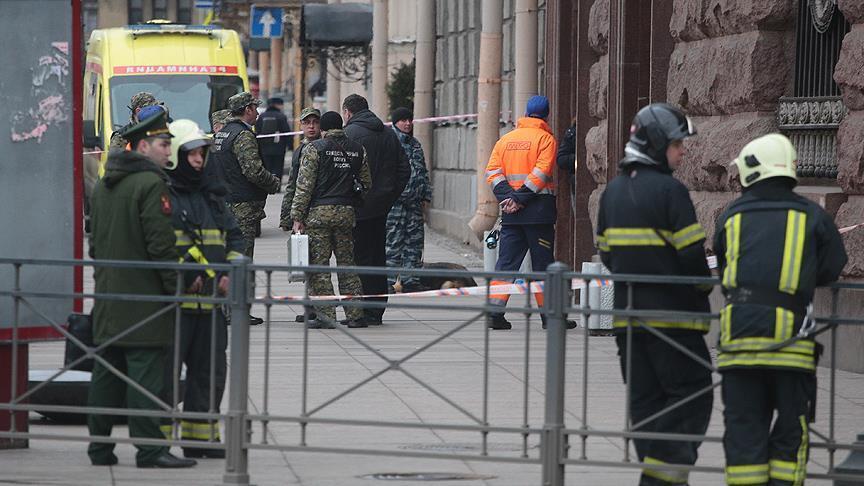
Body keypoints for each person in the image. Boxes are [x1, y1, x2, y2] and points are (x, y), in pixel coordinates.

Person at [714, 134, 847, 486]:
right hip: (791, 344)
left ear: (752, 170)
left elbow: (725, 269)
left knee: (743, 430)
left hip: (739, 340)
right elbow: (833, 265)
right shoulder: (812, 216)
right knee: (790, 432)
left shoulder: (731, 216)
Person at [596, 103, 712, 485]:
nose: (682, 151)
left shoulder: (612, 192)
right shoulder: (671, 191)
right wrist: (702, 288)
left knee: (645, 402)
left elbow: (607, 254)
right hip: (674, 321)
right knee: (693, 394)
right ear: (658, 144)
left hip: (628, 320)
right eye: (677, 144)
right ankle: (660, 479)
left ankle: (659, 475)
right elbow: (693, 256)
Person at [87, 106, 196, 469]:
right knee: (145, 377)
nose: (169, 150)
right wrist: (176, 289)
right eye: (163, 144)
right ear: (144, 146)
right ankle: (150, 450)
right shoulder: (150, 184)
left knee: (107, 375)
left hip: (108, 297)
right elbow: (160, 246)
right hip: (144, 302)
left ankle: (99, 449)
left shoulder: (105, 184)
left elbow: (95, 245)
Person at [163, 119, 245, 459]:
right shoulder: (163, 195)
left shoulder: (212, 193)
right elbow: (159, 244)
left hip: (211, 303)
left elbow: (235, 237)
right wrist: (185, 271)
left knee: (210, 372)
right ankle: (157, 442)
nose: (199, 159)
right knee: (166, 374)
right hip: (175, 304)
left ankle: (201, 439)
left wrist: (231, 271)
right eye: (192, 153)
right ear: (176, 155)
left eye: (201, 153)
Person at [484, 95, 576, 331]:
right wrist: (519, 199)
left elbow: (492, 172)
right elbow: (541, 173)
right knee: (543, 265)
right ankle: (550, 317)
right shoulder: (546, 139)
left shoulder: (506, 139)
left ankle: (494, 312)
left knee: (506, 264)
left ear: (525, 113)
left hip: (511, 214)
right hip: (538, 214)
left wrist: (509, 198)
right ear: (546, 115)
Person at [290, 111, 372, 329]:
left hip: (319, 215)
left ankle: (326, 315)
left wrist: (297, 216)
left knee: (320, 267)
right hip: (346, 214)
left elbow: (304, 186)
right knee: (347, 264)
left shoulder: (314, 149)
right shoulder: (358, 149)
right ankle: (355, 314)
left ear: (323, 129)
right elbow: (366, 184)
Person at [342, 94, 411, 326]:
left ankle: (361, 310)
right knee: (377, 257)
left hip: (357, 207)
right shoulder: (389, 133)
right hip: (381, 207)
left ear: (347, 112)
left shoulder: (349, 134)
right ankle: (377, 309)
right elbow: (405, 169)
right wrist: (389, 196)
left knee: (357, 259)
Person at [209, 91, 280, 259]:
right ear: (248, 109)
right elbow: (253, 171)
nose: (257, 113)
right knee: (243, 257)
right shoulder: (243, 135)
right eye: (255, 108)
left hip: (225, 202)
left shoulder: (221, 134)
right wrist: (273, 183)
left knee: (229, 255)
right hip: (242, 205)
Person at [385, 107, 433, 293]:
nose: (407, 123)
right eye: (403, 120)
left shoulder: (414, 144)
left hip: (414, 204)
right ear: (395, 122)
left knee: (414, 243)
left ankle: (410, 280)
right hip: (395, 204)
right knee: (393, 243)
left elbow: (422, 171)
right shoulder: (390, 141)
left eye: (409, 120)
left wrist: (425, 194)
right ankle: (388, 281)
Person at [280, 107, 322, 231]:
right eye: (307, 122)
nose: (311, 126)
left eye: (315, 122)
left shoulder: (326, 147)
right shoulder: (299, 150)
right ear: (301, 125)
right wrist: (286, 217)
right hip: (303, 210)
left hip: (320, 209)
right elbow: (292, 184)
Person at [255, 97, 292, 185]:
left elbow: (257, 131)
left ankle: (267, 186)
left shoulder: (262, 116)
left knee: (267, 168)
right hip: (278, 149)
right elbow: (286, 132)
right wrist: (290, 145)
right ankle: (276, 186)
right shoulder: (281, 116)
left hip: (264, 148)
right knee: (278, 168)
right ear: (277, 105)